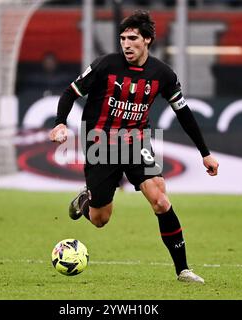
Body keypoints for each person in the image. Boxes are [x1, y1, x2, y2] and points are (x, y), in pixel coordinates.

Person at [49, 10, 219, 283]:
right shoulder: (105, 65)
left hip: (136, 142)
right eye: (123, 39)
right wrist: (60, 123)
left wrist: (205, 153)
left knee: (161, 201)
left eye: (133, 38)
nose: (126, 44)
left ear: (148, 40)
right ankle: (86, 202)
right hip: (100, 144)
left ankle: (183, 269)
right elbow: (71, 92)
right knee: (101, 219)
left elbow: (183, 113)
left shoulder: (162, 74)